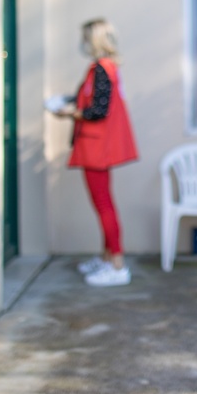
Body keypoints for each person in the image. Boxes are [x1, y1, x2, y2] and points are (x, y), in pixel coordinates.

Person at [53, 18, 138, 287]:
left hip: (96, 147)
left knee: (103, 205)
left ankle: (116, 265)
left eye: (86, 38)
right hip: (96, 145)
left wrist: (71, 112)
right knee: (104, 204)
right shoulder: (105, 68)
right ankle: (106, 258)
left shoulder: (103, 69)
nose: (83, 43)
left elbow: (98, 110)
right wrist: (73, 104)